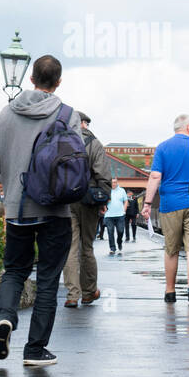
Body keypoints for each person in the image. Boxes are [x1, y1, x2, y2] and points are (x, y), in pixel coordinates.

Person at [0, 55, 79, 367]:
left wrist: (11, 169)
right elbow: (76, 160)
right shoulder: (67, 114)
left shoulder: (8, 113)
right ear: (58, 82)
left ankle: (6, 319)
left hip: (17, 209)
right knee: (48, 279)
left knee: (15, 270)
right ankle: (35, 350)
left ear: (31, 79)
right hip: (56, 210)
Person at [141, 115, 189, 304]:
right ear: (188, 127)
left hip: (170, 204)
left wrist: (147, 203)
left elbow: (155, 176)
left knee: (171, 249)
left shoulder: (163, 147)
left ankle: (170, 291)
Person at [62, 112, 111, 308]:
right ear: (83, 123)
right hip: (88, 198)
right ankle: (89, 292)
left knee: (71, 248)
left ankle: (72, 295)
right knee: (87, 247)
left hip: (65, 200)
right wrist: (103, 200)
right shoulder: (94, 143)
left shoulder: (61, 141)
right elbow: (103, 175)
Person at [103, 177, 127, 255]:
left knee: (121, 231)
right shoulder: (106, 190)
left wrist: (124, 211)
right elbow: (102, 200)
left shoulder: (122, 190)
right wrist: (104, 206)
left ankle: (119, 242)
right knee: (110, 232)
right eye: (112, 182)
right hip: (109, 215)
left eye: (115, 182)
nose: (113, 184)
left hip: (120, 215)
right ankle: (112, 248)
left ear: (117, 183)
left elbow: (126, 201)